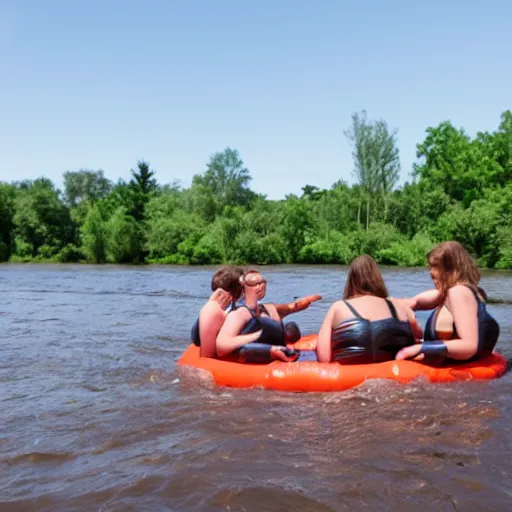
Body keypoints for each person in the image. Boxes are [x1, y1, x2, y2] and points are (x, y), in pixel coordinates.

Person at [396, 241, 500, 365]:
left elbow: (470, 345)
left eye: (435, 267)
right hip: (474, 364)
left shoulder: (458, 293)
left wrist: (419, 348)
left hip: (457, 370)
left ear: (450, 269)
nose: (431, 273)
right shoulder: (472, 292)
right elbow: (414, 302)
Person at [316, 255, 421, 364]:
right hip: (395, 373)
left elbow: (324, 358)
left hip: (351, 376)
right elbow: (419, 335)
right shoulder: (399, 305)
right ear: (378, 279)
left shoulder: (338, 307)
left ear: (351, 281)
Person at [216, 269, 303, 362]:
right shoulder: (240, 313)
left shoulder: (264, 309)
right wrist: (271, 350)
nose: (261, 286)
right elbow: (221, 347)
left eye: (262, 282)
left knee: (291, 329)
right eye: (254, 284)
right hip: (256, 352)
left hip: (272, 346)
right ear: (243, 288)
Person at [191, 267, 261, 358]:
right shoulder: (219, 307)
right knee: (210, 311)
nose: (219, 297)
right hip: (227, 340)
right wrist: (211, 304)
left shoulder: (246, 304)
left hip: (240, 340)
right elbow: (196, 339)